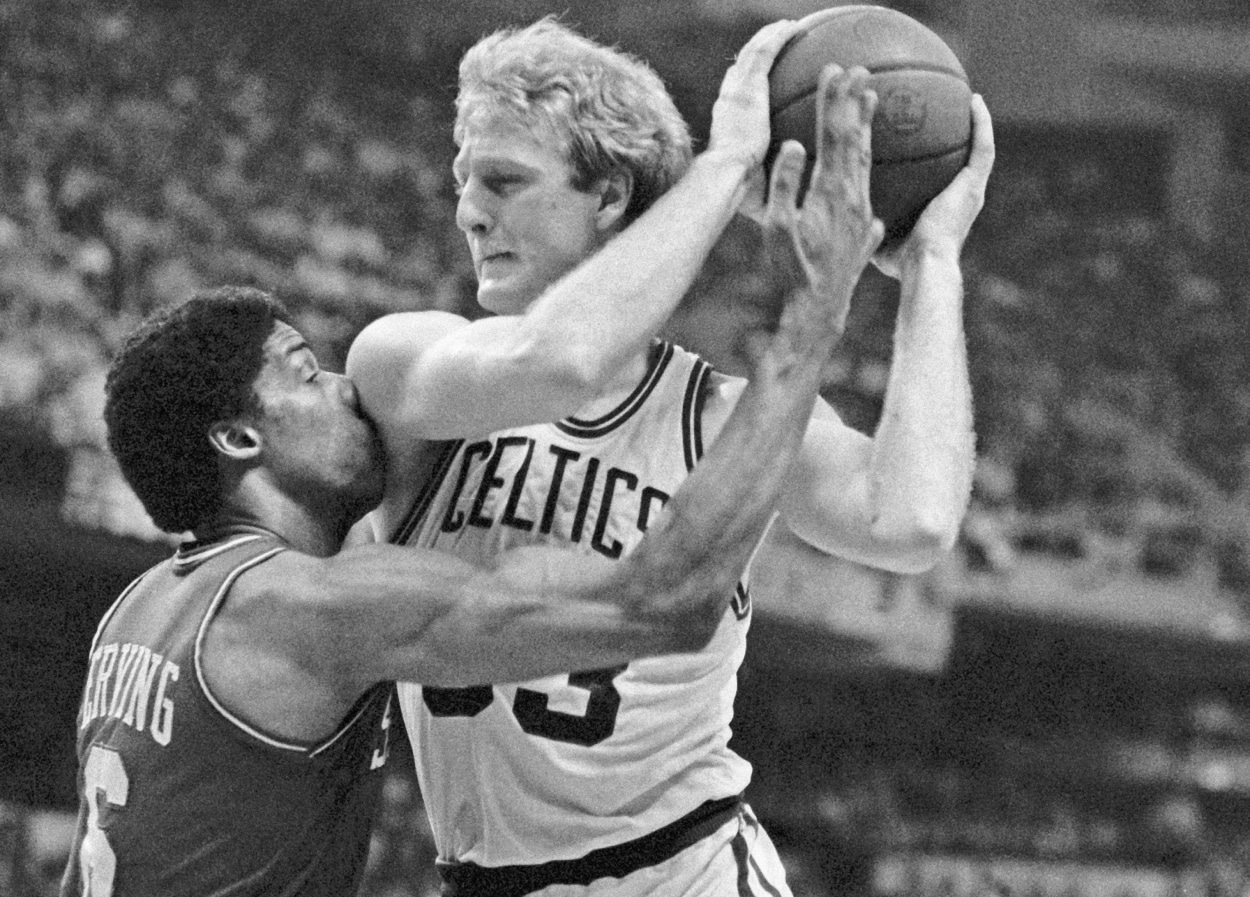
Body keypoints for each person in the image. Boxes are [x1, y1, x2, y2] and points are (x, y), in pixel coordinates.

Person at [58, 126, 866, 897]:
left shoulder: (140, 610)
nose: (349, 387)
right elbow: (665, 603)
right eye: (307, 375)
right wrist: (810, 321)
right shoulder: (304, 608)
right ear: (238, 437)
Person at [345, 13, 994, 897]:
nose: (468, 209)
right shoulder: (409, 362)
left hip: (683, 871)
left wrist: (934, 265)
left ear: (609, 198)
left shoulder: (721, 415)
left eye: (502, 180)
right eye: (463, 179)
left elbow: (911, 520)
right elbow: (558, 363)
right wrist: (725, 169)